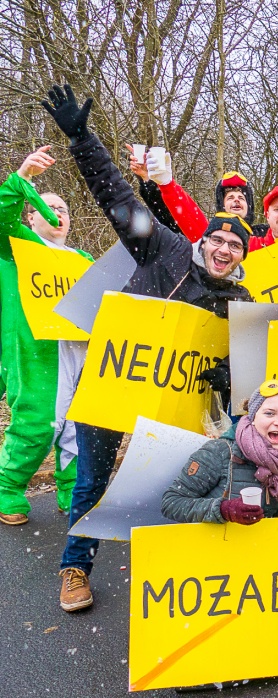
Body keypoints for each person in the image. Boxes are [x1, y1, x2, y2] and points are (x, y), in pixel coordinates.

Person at [40, 84, 255, 613]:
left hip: (170, 410)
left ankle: (165, 579)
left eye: (236, 245)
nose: (225, 249)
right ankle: (75, 568)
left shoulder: (241, 300)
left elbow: (247, 364)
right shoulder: (163, 246)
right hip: (110, 389)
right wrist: (80, 136)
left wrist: (229, 376)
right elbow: (115, 194)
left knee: (168, 489)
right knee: (91, 483)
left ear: (242, 256)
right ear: (203, 239)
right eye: (219, 239)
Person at [0, 146, 93, 525]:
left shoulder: (82, 259)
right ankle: (8, 487)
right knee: (39, 422)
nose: (57, 214)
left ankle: (71, 488)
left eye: (65, 209)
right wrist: (22, 180)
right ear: (30, 215)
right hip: (37, 352)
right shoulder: (17, 246)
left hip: (78, 351)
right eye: (46, 207)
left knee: (77, 424)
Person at [161, 380, 278, 524]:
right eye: (270, 413)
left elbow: (276, 514)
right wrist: (224, 510)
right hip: (214, 553)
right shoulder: (219, 451)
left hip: (258, 554)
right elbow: (171, 503)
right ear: (253, 417)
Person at [131, 146, 278, 246]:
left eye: (242, 197)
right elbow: (185, 222)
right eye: (230, 198)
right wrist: (158, 183)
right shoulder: (237, 246)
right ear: (268, 214)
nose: (236, 200)